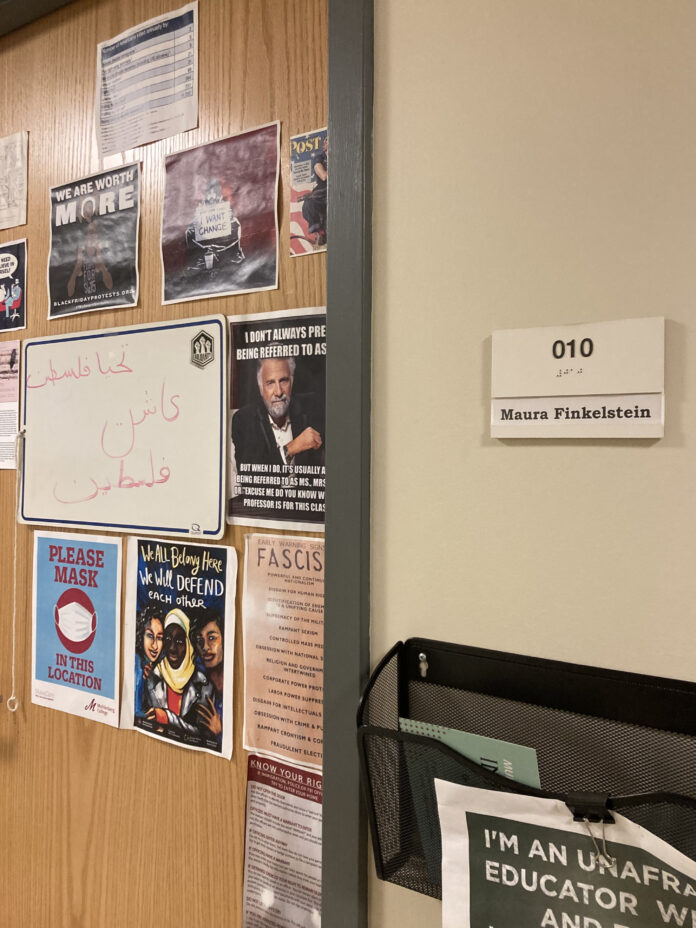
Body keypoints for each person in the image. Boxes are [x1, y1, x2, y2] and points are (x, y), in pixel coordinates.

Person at [231, 354, 324, 475]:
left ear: (292, 381)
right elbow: (250, 478)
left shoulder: (312, 408)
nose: (278, 392)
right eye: (270, 383)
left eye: (283, 381)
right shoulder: (244, 420)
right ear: (260, 388)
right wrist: (291, 449)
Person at [144, 608, 213, 738]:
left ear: (189, 645)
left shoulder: (203, 685)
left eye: (180, 641)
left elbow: (203, 735)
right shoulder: (153, 678)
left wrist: (169, 719)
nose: (172, 648)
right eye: (168, 639)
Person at [185, 179, 244, 273]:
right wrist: (195, 223)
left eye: (215, 192)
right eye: (209, 193)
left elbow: (236, 228)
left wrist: (230, 218)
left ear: (219, 194)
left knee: (234, 226)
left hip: (225, 248)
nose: (212, 196)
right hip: (205, 247)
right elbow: (191, 232)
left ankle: (227, 257)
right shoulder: (200, 209)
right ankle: (199, 261)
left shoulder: (226, 209)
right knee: (190, 232)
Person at [67, 198, 113, 298]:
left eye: (90, 207)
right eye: (87, 207)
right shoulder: (82, 244)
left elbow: (100, 262)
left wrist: (104, 271)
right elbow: (78, 263)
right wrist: (72, 279)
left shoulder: (98, 244)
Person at [192, 614, 224, 741]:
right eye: (199, 640)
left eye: (212, 638)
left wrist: (218, 732)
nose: (205, 647)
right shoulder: (197, 681)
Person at [134, 606, 164, 713]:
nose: (155, 646)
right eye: (150, 636)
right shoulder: (136, 663)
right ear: (141, 635)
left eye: (160, 638)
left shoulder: (159, 669)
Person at [301, 135, 327, 246]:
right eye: (327, 141)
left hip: (338, 192)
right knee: (308, 203)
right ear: (324, 145)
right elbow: (323, 176)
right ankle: (319, 232)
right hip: (322, 191)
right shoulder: (319, 158)